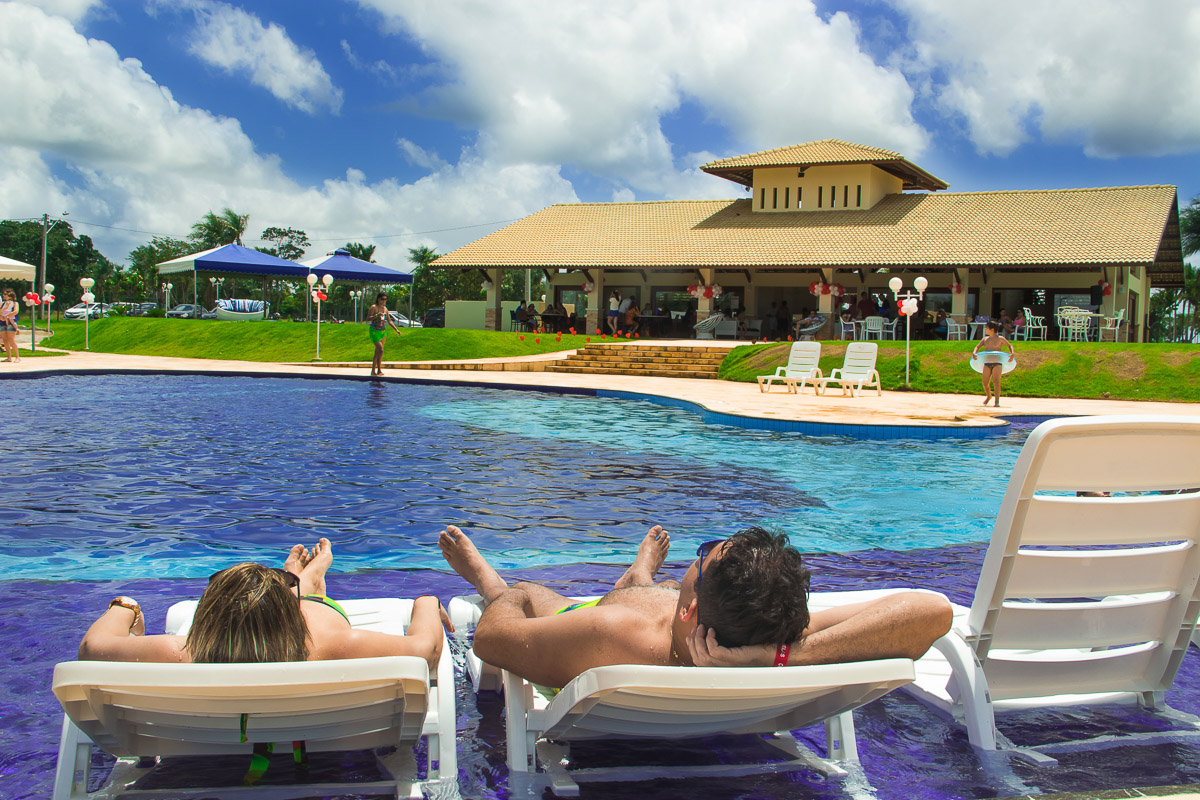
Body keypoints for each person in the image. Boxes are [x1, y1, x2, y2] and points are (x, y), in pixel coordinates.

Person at [439, 524, 951, 690]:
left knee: (532, 594)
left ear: (689, 612)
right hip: (661, 622)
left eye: (704, 556)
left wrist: (504, 594)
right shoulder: (766, 633)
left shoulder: (609, 633)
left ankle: (486, 576)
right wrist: (779, 658)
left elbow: (490, 641)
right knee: (645, 588)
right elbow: (931, 609)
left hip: (587, 622)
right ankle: (639, 577)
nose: (699, 553)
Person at [77, 539, 449, 669]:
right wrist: (426, 600)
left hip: (202, 745)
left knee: (272, 609)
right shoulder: (329, 649)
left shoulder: (180, 653)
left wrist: (125, 605)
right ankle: (305, 585)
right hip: (327, 738)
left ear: (207, 614)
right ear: (292, 619)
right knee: (312, 612)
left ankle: (301, 581)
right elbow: (426, 649)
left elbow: (93, 647)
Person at [972, 319, 1015, 407]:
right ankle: (989, 396)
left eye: (986, 328)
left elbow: (1010, 345)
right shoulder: (985, 339)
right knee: (985, 382)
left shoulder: (1000, 339)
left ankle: (997, 401)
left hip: (997, 363)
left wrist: (1012, 353)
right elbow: (977, 346)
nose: (985, 329)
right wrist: (974, 352)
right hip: (987, 363)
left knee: (996, 381)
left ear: (992, 330)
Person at [365, 293, 404, 377]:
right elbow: (367, 319)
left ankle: (373, 371)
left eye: (385, 299)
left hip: (382, 331)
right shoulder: (374, 307)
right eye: (382, 299)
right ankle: (379, 370)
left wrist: (396, 330)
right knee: (381, 350)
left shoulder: (385, 309)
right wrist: (376, 315)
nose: (384, 301)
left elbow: (389, 321)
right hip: (374, 330)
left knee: (377, 352)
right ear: (378, 299)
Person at [0, 288, 20, 363]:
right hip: (2, 322)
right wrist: (2, 314)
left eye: (5, 294)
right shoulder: (2, 304)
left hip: (11, 322)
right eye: (3, 294)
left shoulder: (15, 303)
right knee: (5, 340)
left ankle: (17, 357)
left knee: (11, 339)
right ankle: (9, 357)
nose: (4, 295)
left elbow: (15, 311)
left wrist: (7, 316)